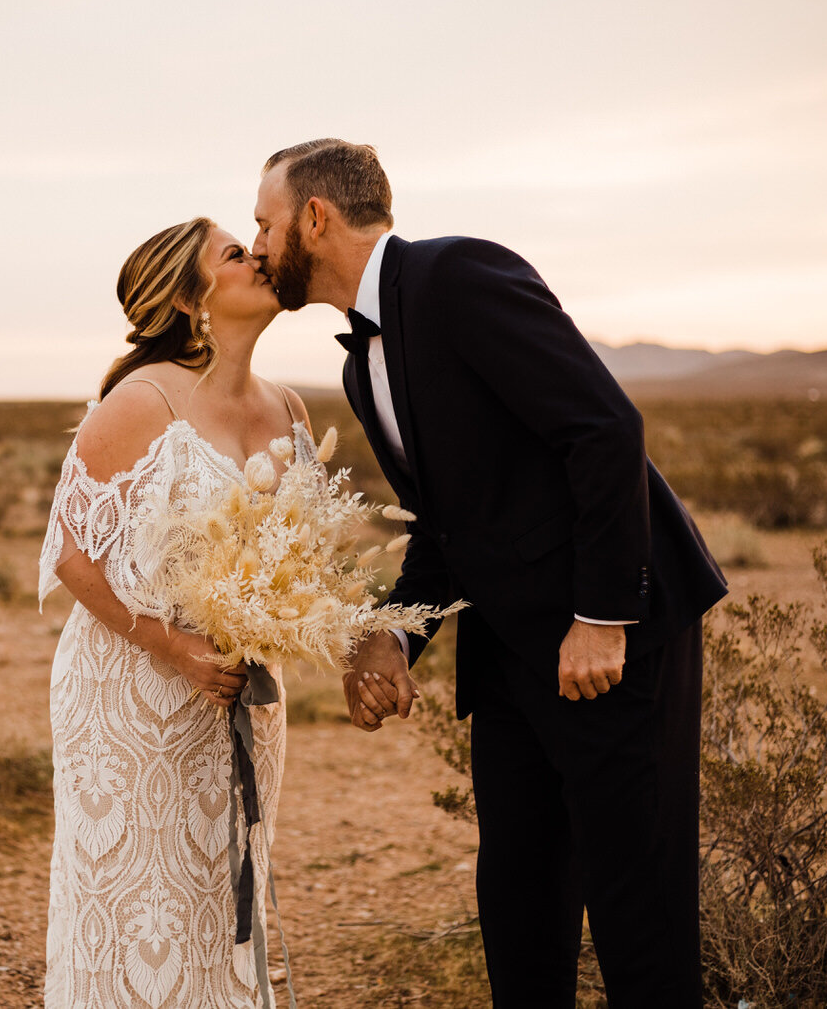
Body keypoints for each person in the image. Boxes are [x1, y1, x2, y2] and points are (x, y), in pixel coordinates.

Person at [251, 139, 728, 1008]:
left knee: (641, 918)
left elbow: (606, 428)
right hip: (512, 664)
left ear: (313, 218)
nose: (256, 245)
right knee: (519, 911)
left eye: (264, 222)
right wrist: (397, 635)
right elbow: (444, 528)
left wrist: (602, 615)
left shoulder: (457, 276)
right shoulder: (363, 364)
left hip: (619, 645)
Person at [38, 217, 312, 1007]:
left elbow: (301, 557)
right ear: (190, 300)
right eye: (235, 253)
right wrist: (174, 647)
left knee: (221, 900)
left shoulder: (289, 408)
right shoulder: (141, 400)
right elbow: (72, 554)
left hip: (241, 692)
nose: (260, 256)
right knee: (138, 908)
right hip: (134, 693)